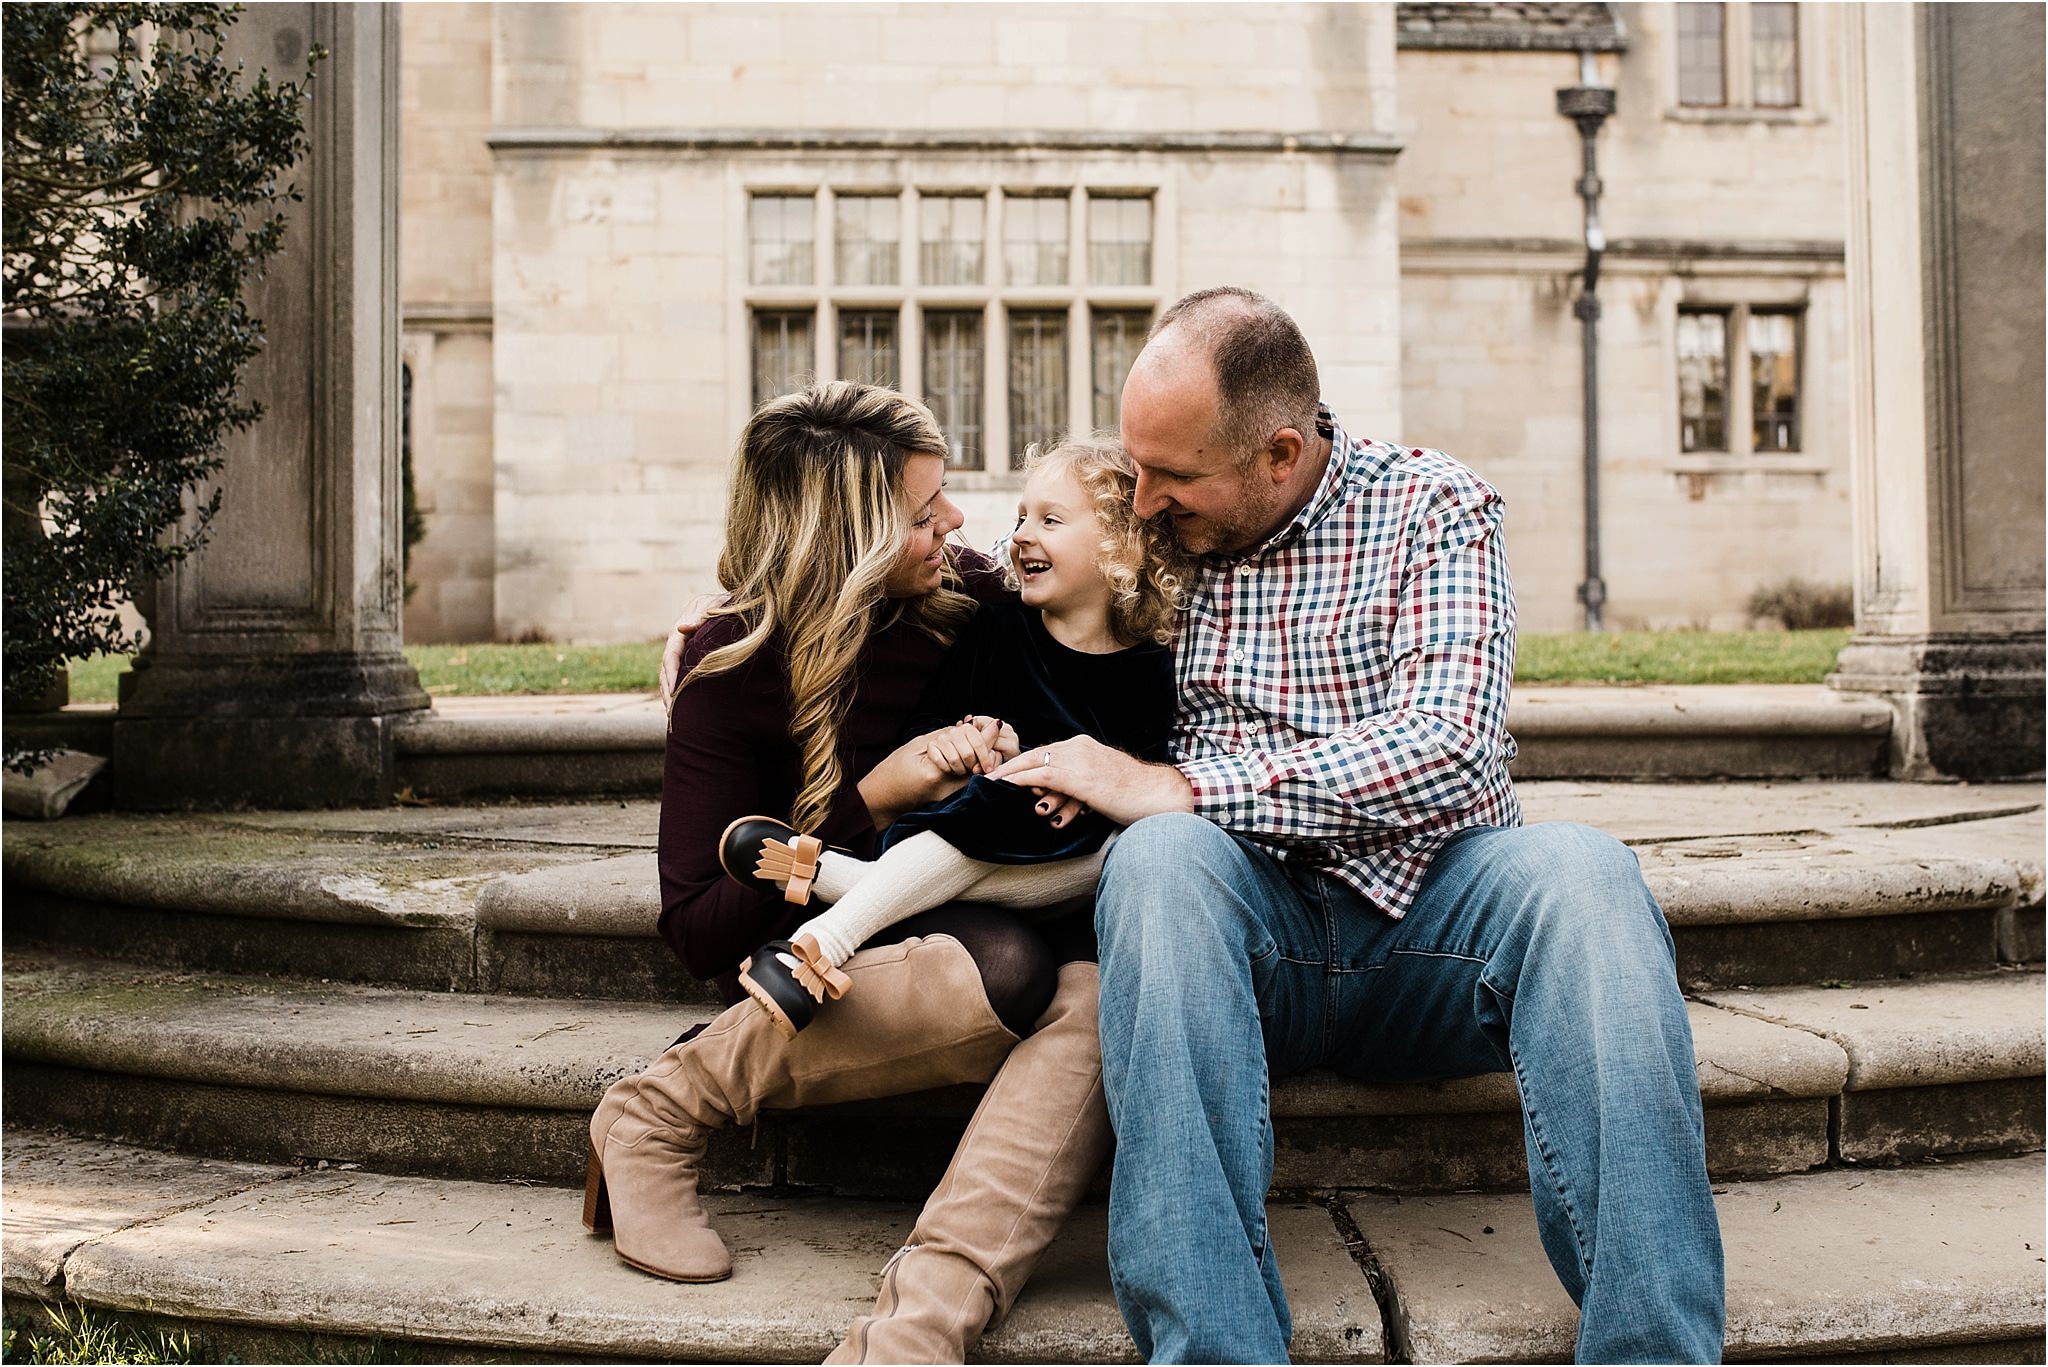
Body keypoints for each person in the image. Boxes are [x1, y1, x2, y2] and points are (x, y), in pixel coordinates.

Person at [986, 287, 1727, 1363]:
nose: (1140, 501)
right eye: (1134, 469)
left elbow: (1448, 745)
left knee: (1585, 872)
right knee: (1156, 860)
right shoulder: (1155, 523)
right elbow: (999, 569)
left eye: (1172, 477)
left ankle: (1654, 1351)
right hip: (1242, 933)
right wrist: (745, 626)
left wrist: (1186, 785)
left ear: (1277, 453)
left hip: (1434, 917)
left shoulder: (1433, 506)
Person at [592, 381, 1111, 1363]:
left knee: (1090, 992)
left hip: (999, 901)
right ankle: (661, 1106)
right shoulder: (729, 671)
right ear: (848, 544)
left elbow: (1114, 610)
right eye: (924, 515)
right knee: (1005, 968)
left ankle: (909, 1338)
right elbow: (699, 927)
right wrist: (866, 801)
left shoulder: (973, 603)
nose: (957, 524)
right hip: (845, 954)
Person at [721, 436, 1186, 1036]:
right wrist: (967, 744)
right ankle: (815, 948)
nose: (1020, 535)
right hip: (979, 821)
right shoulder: (997, 629)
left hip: (1076, 862)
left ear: (1122, 545)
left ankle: (831, 882)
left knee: (1123, 849)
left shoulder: (1152, 666)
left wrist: (1069, 773)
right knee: (1000, 805)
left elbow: (1148, 773)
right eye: (1020, 517)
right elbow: (926, 731)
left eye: (1049, 520)